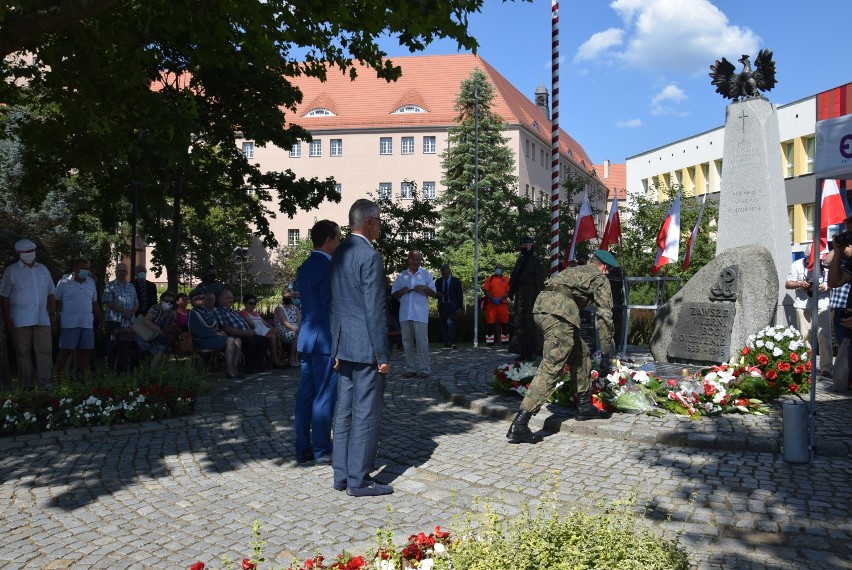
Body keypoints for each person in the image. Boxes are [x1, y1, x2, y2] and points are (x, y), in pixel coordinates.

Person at [506, 250, 618, 445]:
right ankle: (520, 424)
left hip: (541, 308)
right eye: (609, 270)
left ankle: (584, 405)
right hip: (560, 315)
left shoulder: (573, 271)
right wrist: (607, 352)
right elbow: (605, 317)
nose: (608, 273)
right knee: (552, 366)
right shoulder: (599, 278)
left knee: (581, 353)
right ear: (604, 267)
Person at [330, 198, 393, 497]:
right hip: (367, 348)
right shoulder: (370, 257)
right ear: (369, 222)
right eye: (379, 221)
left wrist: (335, 349)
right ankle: (359, 480)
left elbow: (336, 306)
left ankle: (341, 476)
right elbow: (375, 309)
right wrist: (382, 354)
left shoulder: (339, 252)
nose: (380, 226)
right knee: (366, 413)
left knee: (344, 412)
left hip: (344, 346)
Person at [293, 220, 341, 464]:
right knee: (324, 395)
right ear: (329, 240)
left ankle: (303, 447)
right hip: (324, 340)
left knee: (306, 396)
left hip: (308, 339)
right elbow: (331, 308)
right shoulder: (328, 267)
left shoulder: (305, 267)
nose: (340, 242)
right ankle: (322, 448)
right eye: (338, 237)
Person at [0, 239, 57, 390]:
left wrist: (52, 313)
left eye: (31, 251)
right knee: (22, 353)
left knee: (45, 351)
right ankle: (27, 386)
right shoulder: (11, 271)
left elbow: (51, 293)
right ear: (19, 253)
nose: (30, 254)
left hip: (42, 318)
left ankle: (45, 384)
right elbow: (4, 297)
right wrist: (8, 321)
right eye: (26, 252)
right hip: (19, 319)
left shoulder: (43, 269)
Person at [786, 244, 832, 377]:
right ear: (807, 256)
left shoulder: (826, 266)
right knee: (804, 336)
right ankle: (806, 366)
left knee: (824, 335)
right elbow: (788, 283)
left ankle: (826, 368)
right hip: (802, 304)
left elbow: (834, 283)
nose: (815, 262)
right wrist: (800, 284)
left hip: (822, 303)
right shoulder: (796, 265)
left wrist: (826, 286)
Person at [54, 259, 103, 380]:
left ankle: (82, 378)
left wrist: (101, 318)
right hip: (69, 323)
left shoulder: (91, 282)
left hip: (87, 323)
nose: (86, 271)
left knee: (86, 351)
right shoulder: (64, 282)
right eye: (84, 269)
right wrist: (54, 319)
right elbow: (56, 301)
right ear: (75, 269)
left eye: (88, 268)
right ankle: (57, 377)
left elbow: (94, 302)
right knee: (66, 351)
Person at [392, 250, 436, 378]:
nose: (416, 262)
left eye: (418, 260)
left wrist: (424, 288)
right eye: (414, 259)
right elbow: (394, 294)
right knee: (407, 342)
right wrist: (401, 291)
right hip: (405, 314)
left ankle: (424, 369)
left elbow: (434, 293)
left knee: (422, 342)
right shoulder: (402, 276)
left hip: (420, 314)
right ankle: (410, 368)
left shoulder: (426, 275)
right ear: (409, 260)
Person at [508, 236, 546, 361]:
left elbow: (540, 281)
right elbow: (514, 276)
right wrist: (511, 291)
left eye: (527, 244)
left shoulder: (536, 261)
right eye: (523, 244)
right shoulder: (520, 260)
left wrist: (540, 298)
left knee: (531, 325)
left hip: (532, 296)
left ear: (532, 245)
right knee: (520, 325)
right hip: (521, 297)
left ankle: (532, 351)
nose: (524, 246)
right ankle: (522, 351)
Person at [188, 292, 241, 379]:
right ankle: (229, 370)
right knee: (230, 340)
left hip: (212, 339)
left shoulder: (205, 312)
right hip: (202, 341)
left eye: (203, 298)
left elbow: (214, 325)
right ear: (192, 301)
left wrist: (219, 331)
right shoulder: (193, 313)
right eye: (198, 298)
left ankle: (234, 369)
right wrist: (215, 333)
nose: (201, 300)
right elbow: (196, 332)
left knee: (238, 340)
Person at [217, 290, 267, 374]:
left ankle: (258, 365)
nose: (230, 300)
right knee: (251, 341)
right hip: (235, 335)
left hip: (246, 333)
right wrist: (244, 332)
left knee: (263, 340)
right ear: (220, 300)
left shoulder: (232, 311)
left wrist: (249, 330)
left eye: (231, 298)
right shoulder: (220, 311)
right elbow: (226, 328)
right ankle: (249, 367)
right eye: (227, 298)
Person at [102, 262, 138, 371]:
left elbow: (136, 302)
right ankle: (110, 369)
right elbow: (108, 302)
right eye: (119, 270)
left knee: (127, 347)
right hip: (114, 321)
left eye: (124, 271)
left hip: (129, 322)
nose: (122, 273)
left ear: (127, 273)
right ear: (115, 272)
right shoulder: (110, 286)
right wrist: (124, 311)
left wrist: (132, 311)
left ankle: (123, 370)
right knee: (113, 347)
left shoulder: (131, 286)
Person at [135, 290, 177, 371]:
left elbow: (169, 327)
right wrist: (159, 329)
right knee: (160, 349)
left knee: (168, 348)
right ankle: (153, 373)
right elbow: (146, 320)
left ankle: (161, 370)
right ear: (161, 300)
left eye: (171, 302)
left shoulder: (170, 314)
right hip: (145, 337)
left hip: (157, 338)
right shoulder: (155, 308)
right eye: (166, 300)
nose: (168, 303)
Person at [240, 294, 286, 368]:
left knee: (277, 334)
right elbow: (252, 325)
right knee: (273, 336)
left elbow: (265, 323)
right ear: (245, 304)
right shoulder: (243, 313)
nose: (252, 305)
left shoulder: (256, 313)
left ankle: (276, 359)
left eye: (254, 303)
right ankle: (274, 360)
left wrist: (275, 330)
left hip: (263, 331)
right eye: (250, 303)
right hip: (255, 333)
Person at [435, 263, 464, 349]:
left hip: (453, 306)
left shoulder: (456, 281)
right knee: (444, 324)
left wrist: (460, 307)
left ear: (449, 272)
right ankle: (446, 342)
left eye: (446, 273)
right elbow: (435, 293)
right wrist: (438, 294)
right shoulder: (438, 281)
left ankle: (452, 342)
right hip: (443, 305)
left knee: (451, 323)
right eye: (443, 274)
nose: (445, 275)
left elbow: (460, 295)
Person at [481, 263, 511, 347]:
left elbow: (508, 292)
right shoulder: (489, 279)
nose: (498, 269)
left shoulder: (506, 280)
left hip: (502, 304)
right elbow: (485, 290)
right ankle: (490, 342)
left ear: (502, 270)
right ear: (494, 269)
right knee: (490, 323)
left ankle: (505, 341)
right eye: (497, 268)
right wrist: (492, 299)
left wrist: (500, 299)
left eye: (500, 268)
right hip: (491, 304)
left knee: (504, 323)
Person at [274, 288, 301, 367]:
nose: (287, 298)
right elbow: (284, 323)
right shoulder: (279, 308)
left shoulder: (295, 308)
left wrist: (298, 328)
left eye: (289, 297)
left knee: (304, 335)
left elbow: (299, 320)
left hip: (295, 328)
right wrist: (295, 329)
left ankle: (296, 357)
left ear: (292, 297)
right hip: (284, 331)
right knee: (295, 335)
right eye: (285, 296)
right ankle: (291, 358)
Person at [385, 276, 404, 351]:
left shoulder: (392, 290)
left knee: (398, 329)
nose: (387, 283)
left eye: (388, 281)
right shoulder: (382, 290)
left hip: (395, 312)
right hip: (388, 313)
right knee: (389, 330)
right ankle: (390, 346)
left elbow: (397, 301)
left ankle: (400, 344)